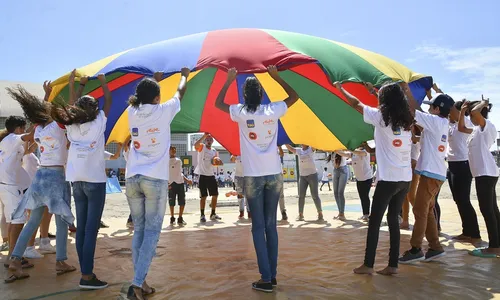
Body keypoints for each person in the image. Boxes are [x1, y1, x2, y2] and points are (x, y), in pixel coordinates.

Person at [215, 66, 299, 292]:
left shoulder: (241, 112)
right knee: (271, 226)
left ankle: (265, 277)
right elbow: (294, 96)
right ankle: (271, 275)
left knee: (258, 226)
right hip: (274, 174)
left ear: (245, 95)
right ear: (261, 95)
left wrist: (229, 80)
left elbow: (218, 103)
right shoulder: (273, 110)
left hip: (253, 176)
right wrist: (276, 76)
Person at [336, 81, 413, 276]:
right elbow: (390, 99)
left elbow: (356, 103)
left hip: (388, 179)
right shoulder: (407, 120)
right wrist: (376, 90)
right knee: (394, 220)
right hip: (404, 179)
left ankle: (368, 265)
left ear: (384, 101)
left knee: (375, 221)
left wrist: (340, 88)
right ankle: (393, 265)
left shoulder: (380, 118)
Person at [125, 68, 189, 299]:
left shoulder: (132, 110)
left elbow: (145, 99)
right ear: (156, 98)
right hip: (154, 179)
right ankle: (136, 283)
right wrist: (185, 75)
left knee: (139, 232)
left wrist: (154, 82)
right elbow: (180, 93)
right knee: (151, 233)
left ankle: (141, 282)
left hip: (132, 178)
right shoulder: (163, 111)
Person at [5, 83, 77, 282]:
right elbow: (70, 107)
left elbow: (41, 114)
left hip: (40, 177)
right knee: (62, 221)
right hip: (55, 177)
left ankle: (15, 259)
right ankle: (61, 261)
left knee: (33, 220)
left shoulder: (38, 130)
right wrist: (72, 85)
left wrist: (46, 95)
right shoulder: (56, 126)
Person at [50, 71, 112, 289]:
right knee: (90, 229)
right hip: (95, 181)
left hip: (76, 181)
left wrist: (76, 84)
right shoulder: (98, 123)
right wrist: (103, 82)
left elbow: (71, 106)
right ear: (96, 110)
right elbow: (110, 100)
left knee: (83, 228)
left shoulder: (71, 126)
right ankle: (87, 276)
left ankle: (86, 274)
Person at [399, 86, 454, 264]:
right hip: (434, 173)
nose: (429, 109)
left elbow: (414, 110)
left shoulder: (436, 122)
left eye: (432, 107)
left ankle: (416, 249)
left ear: (438, 109)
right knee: (427, 210)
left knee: (419, 210)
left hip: (431, 174)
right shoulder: (440, 123)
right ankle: (435, 247)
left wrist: (406, 91)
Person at [458, 98, 499, 257]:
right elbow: (461, 128)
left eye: (471, 113)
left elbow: (476, 112)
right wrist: (462, 111)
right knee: (492, 210)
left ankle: (494, 247)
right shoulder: (475, 129)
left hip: (485, 173)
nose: (470, 116)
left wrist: (484, 103)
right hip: (483, 173)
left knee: (487, 210)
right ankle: (497, 243)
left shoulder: (486, 126)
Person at [0, 116, 36, 277]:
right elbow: (28, 136)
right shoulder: (13, 138)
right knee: (18, 222)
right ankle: (14, 258)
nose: (24, 130)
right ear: (17, 128)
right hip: (11, 187)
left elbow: (27, 149)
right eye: (23, 127)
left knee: (12, 221)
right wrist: (38, 122)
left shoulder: (10, 141)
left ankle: (11, 257)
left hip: (8, 186)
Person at [446, 99, 481, 242]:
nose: (449, 112)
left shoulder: (466, 122)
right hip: (452, 165)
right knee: (458, 200)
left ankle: (474, 233)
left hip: (463, 165)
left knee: (464, 200)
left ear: (460, 111)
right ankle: (466, 231)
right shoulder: (450, 124)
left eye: (452, 110)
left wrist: (462, 113)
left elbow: (462, 128)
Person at [285, 144, 323, 221]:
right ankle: (300, 214)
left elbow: (315, 144)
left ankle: (320, 213)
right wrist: (285, 142)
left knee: (315, 195)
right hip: (303, 176)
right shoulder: (299, 150)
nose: (302, 143)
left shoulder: (311, 149)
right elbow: (291, 149)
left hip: (312, 175)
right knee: (301, 196)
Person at [336, 143, 374, 221]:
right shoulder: (353, 153)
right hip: (359, 179)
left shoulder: (365, 151)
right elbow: (344, 154)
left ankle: (367, 214)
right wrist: (335, 150)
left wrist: (350, 149)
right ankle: (365, 214)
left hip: (367, 178)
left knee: (365, 196)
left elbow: (359, 153)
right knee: (362, 197)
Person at [194, 133, 223, 222]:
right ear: (205, 140)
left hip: (211, 175)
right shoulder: (202, 147)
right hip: (202, 175)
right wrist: (204, 136)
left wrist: (218, 162)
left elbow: (214, 162)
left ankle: (213, 213)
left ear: (213, 141)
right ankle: (202, 215)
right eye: (207, 139)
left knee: (215, 195)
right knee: (203, 196)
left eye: (210, 140)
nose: (209, 141)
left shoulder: (214, 150)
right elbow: (195, 145)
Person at [400, 125, 421, 229]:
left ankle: (421, 218)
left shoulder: (415, 138)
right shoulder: (404, 137)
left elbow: (413, 139)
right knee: (404, 195)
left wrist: (410, 128)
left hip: (412, 167)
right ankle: (405, 220)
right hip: (405, 167)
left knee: (411, 196)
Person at [169, 146, 191, 226]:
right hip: (171, 183)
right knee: (172, 202)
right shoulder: (165, 162)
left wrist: (187, 180)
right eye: (171, 150)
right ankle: (172, 217)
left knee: (182, 201)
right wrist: (167, 184)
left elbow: (180, 173)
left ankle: (180, 218)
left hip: (180, 183)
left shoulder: (179, 161)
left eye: (174, 150)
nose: (173, 151)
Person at [328, 152, 348, 221]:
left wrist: (337, 150)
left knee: (340, 192)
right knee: (335, 193)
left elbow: (348, 155)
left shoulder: (341, 151)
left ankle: (342, 213)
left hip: (343, 170)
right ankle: (340, 213)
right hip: (335, 171)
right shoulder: (331, 152)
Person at [230, 155, 250, 219]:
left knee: (248, 195)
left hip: (248, 175)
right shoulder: (236, 153)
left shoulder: (247, 150)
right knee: (240, 194)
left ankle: (249, 212)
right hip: (238, 176)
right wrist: (234, 156)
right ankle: (241, 211)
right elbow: (231, 160)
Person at [278, 147, 288, 221]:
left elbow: (282, 154)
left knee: (281, 195)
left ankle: (283, 212)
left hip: (278, 174)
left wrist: (279, 146)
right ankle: (270, 214)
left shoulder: (276, 148)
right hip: (268, 174)